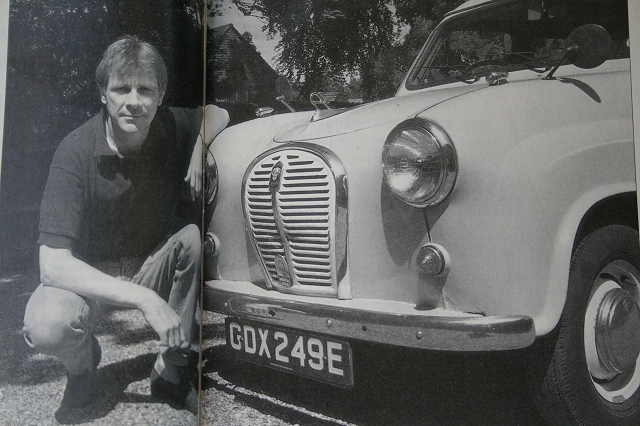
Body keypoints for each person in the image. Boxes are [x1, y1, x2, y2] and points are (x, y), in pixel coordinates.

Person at [21, 35, 229, 413]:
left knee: (192, 238)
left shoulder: (170, 124)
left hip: (149, 261)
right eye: (121, 88)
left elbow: (218, 111)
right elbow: (51, 264)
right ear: (103, 94)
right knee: (47, 326)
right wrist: (145, 299)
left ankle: (170, 371)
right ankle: (82, 368)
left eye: (146, 90)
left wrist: (200, 143)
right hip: (92, 274)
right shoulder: (74, 151)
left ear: (161, 95)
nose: (134, 101)